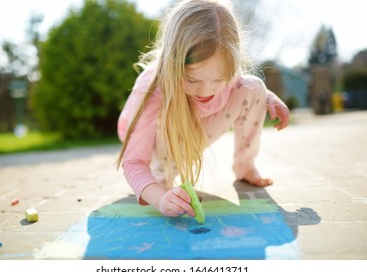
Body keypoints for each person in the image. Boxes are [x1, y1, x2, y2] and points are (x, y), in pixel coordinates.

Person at [116, 0, 289, 218]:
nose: (207, 90)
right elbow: (133, 162)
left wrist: (267, 97)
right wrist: (159, 199)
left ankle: (245, 166)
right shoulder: (152, 89)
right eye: (192, 79)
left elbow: (244, 88)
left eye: (219, 79)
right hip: (157, 145)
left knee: (255, 86)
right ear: (173, 64)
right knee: (164, 108)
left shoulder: (227, 73)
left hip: (195, 130)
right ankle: (159, 181)